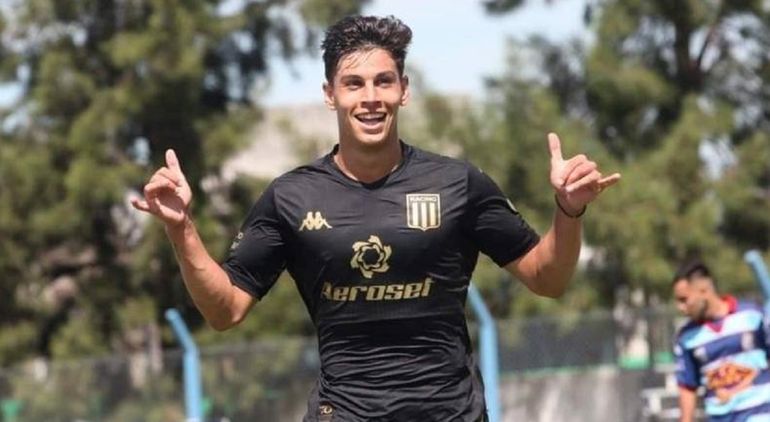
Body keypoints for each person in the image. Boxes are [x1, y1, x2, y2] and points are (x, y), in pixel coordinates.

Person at [132, 15, 620, 422]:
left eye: (384, 81)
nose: (370, 97)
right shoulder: (291, 197)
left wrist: (568, 210)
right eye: (354, 83)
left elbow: (547, 278)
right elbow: (225, 310)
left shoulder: (458, 184)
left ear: (403, 90)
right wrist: (182, 228)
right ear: (330, 94)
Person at [672, 259, 770, 422]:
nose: (680, 307)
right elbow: (688, 386)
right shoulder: (686, 337)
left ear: (704, 290)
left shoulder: (753, 315)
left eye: (684, 299)